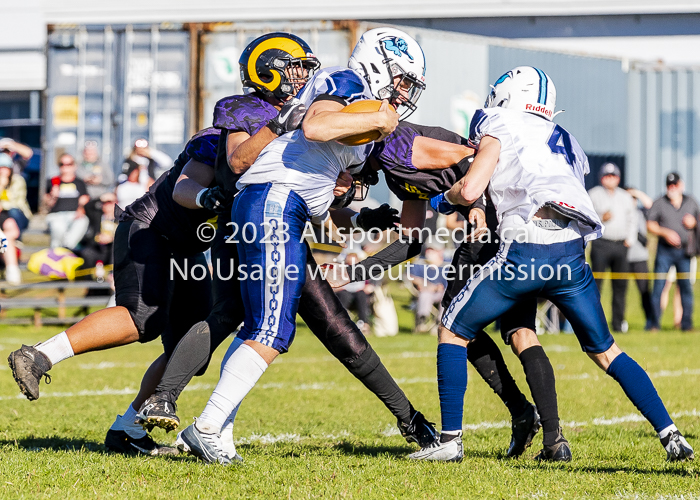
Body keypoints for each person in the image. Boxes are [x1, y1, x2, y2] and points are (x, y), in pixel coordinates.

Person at [130, 32, 437, 459]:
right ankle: (205, 424)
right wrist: (379, 122)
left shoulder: (361, 103)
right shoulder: (346, 80)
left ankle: (212, 429)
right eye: (403, 80)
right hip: (272, 204)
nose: (404, 93)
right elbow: (316, 126)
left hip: (282, 209)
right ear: (380, 64)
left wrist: (361, 206)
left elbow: (330, 199)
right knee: (270, 329)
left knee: (259, 324)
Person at [409, 66, 694, 463]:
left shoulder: (499, 121)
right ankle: (671, 435)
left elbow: (474, 187)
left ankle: (451, 440)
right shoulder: (565, 138)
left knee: (453, 329)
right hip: (572, 253)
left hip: (526, 247)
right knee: (606, 351)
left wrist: (448, 197)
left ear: (508, 95)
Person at [328, 120, 541, 458]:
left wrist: (477, 209)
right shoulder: (395, 168)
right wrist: (355, 271)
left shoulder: (397, 146)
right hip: (502, 227)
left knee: (457, 327)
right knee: (482, 329)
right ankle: (533, 419)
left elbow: (474, 156)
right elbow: (412, 241)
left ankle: (476, 431)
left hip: (497, 224)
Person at [7, 129, 223, 456]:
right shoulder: (224, 139)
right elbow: (186, 187)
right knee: (142, 319)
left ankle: (129, 430)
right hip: (150, 229)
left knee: (191, 349)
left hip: (186, 246)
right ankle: (39, 355)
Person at [647, 172, 700, 331]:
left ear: (681, 185)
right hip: (665, 251)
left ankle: (686, 324)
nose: (672, 188)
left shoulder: (691, 202)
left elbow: (698, 221)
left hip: (685, 252)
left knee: (686, 288)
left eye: (675, 184)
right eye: (670, 185)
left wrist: (694, 222)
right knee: (659, 287)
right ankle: (653, 324)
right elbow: (650, 224)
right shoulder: (659, 202)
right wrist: (665, 233)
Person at [588, 163, 637, 332]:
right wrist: (602, 217)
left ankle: (618, 324)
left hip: (620, 245)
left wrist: (630, 240)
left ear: (618, 178)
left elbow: (633, 219)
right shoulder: (593, 194)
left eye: (613, 176)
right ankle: (594, 324)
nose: (610, 179)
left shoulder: (625, 197)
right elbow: (587, 218)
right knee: (596, 286)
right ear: (602, 178)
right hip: (601, 244)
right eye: (607, 176)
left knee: (620, 287)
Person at [44, 154, 90, 249]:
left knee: (83, 222)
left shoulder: (79, 182)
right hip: (56, 214)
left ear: (74, 166)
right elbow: (46, 205)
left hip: (74, 214)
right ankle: (56, 251)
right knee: (58, 227)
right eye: (62, 164)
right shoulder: (53, 181)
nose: (65, 167)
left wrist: (81, 208)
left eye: (69, 164)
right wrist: (53, 196)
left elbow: (85, 199)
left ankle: (67, 248)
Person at [626, 187, 655, 329]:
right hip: (624, 257)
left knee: (644, 292)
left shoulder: (641, 212)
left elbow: (651, 205)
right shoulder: (620, 212)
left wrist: (636, 193)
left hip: (640, 258)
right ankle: (619, 322)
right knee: (621, 293)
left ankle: (650, 321)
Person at [0, 152, 32, 233]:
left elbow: (17, 203)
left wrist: (2, 205)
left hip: (19, 215)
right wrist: (1, 186)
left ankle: (17, 239)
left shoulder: (18, 180)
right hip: (3, 215)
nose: (3, 170)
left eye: (5, 167)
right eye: (1, 167)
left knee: (13, 212)